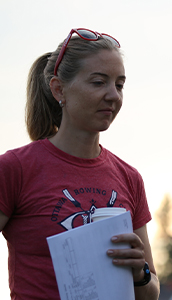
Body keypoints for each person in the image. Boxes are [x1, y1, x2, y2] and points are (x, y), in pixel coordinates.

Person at [0, 28, 160, 299]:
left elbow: (151, 292)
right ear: (58, 88)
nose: (113, 95)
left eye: (119, 85)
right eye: (99, 82)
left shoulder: (129, 177)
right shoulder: (15, 168)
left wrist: (140, 272)